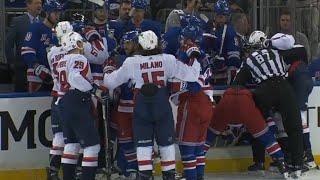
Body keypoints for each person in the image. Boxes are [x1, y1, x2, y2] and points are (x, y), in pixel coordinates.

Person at [103, 30, 201, 180]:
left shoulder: (132, 62)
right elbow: (193, 75)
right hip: (162, 108)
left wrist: (108, 70)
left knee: (143, 149)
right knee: (166, 147)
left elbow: (109, 82)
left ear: (139, 45)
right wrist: (194, 56)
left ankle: (144, 175)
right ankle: (168, 176)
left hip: (142, 110)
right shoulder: (168, 59)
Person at [234, 31, 304, 178]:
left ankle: (259, 161)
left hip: (263, 90)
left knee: (258, 125)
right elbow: (299, 49)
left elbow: (236, 83)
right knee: (294, 127)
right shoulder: (277, 52)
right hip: (284, 87)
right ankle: (297, 164)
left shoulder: (249, 60)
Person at [57, 31, 102, 180]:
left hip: (64, 102)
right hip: (77, 100)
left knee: (71, 144)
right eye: (80, 42)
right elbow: (75, 77)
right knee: (92, 146)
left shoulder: (61, 61)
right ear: (75, 43)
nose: (82, 46)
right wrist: (93, 89)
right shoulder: (79, 57)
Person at [171, 25, 213, 180]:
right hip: (207, 103)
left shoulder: (190, 50)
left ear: (189, 39)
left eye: (183, 37)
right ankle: (199, 177)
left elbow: (191, 84)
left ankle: (191, 177)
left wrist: (173, 86)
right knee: (198, 148)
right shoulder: (206, 54)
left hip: (192, 102)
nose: (181, 40)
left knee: (187, 147)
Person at [46, 21, 73, 180]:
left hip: (57, 95)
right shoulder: (76, 53)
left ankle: (53, 170)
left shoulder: (51, 52)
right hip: (70, 98)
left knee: (58, 136)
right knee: (74, 136)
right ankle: (73, 170)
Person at [21, 0, 63, 92]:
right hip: (37, 76)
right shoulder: (36, 27)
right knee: (35, 105)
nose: (57, 15)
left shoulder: (59, 31)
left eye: (59, 13)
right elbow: (26, 50)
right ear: (47, 13)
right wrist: (37, 67)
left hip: (56, 77)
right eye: (55, 13)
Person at [6, 0, 42, 92]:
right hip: (22, 68)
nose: (39, 5)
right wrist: (12, 63)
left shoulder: (44, 22)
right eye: (36, 3)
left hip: (41, 68)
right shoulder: (18, 21)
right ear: (28, 5)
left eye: (40, 3)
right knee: (21, 99)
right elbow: (8, 43)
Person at [211, 0, 241, 85]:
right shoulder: (212, 29)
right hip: (211, 72)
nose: (221, 19)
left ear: (228, 17)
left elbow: (234, 57)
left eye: (223, 16)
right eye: (219, 16)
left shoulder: (229, 31)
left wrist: (231, 78)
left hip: (224, 75)